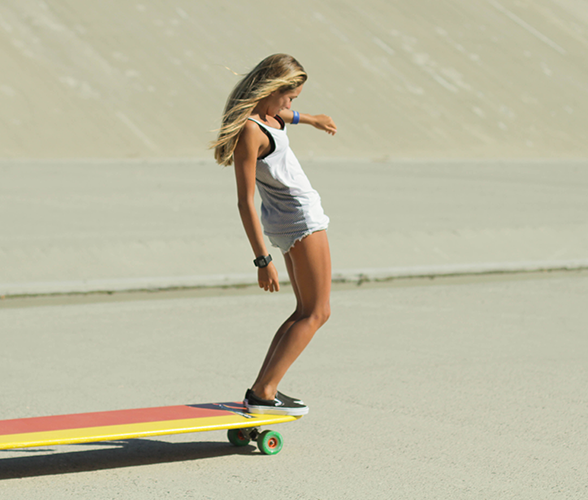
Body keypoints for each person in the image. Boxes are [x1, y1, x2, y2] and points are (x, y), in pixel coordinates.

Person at [212, 54, 336, 416]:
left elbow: (285, 117)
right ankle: (265, 392)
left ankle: (262, 389)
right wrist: (262, 259)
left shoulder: (270, 115)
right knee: (317, 313)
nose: (291, 104)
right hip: (299, 220)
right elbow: (244, 202)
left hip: (292, 219)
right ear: (272, 88)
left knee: (305, 310)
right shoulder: (252, 130)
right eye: (290, 96)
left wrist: (311, 119)